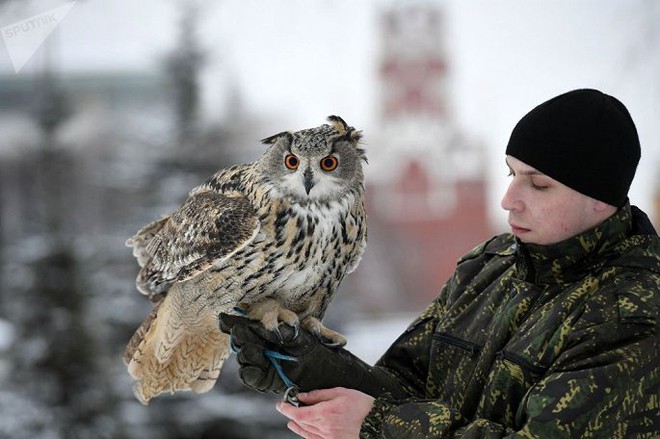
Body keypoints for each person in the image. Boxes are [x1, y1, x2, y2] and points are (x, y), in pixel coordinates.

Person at [219, 89, 659, 438]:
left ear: (599, 199)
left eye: (538, 185)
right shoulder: (490, 268)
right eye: (510, 175)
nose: (509, 201)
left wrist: (375, 429)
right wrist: (316, 368)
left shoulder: (632, 314)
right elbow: (408, 389)